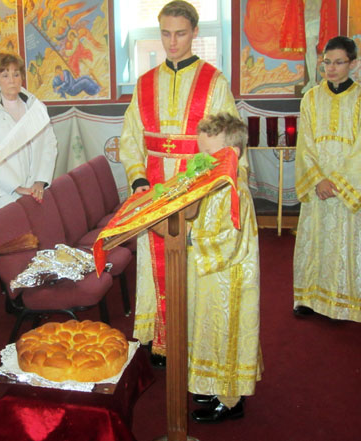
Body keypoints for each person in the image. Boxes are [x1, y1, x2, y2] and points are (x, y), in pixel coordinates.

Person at [119, 0, 238, 366]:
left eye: (180, 34)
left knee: (190, 267)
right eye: (166, 33)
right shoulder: (145, 83)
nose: (172, 42)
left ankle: (190, 341)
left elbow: (228, 144)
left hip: (195, 190)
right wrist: (139, 179)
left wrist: (198, 188)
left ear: (195, 33)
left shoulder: (214, 81)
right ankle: (159, 339)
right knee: (156, 268)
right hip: (154, 189)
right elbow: (130, 138)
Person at [187, 113, 262, 422]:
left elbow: (230, 240)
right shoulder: (217, 179)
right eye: (201, 154)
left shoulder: (235, 190)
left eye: (211, 155)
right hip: (212, 276)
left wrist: (192, 238)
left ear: (234, 153)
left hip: (230, 280)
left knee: (226, 335)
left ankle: (231, 400)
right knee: (209, 330)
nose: (205, 161)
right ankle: (212, 384)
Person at [293, 36, 361, 322]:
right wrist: (318, 179)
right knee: (315, 238)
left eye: (338, 63)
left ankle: (348, 299)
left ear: (353, 64)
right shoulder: (311, 98)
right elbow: (304, 142)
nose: (331, 69)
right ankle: (308, 298)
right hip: (318, 185)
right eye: (326, 63)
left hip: (348, 186)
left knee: (347, 241)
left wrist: (339, 182)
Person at [0, 52, 58, 214]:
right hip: (2, 194)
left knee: (34, 237)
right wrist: (17, 187)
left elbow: (49, 145)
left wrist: (40, 181)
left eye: (16, 74)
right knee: (11, 238)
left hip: (34, 190)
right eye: (5, 75)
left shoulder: (35, 108)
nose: (12, 80)